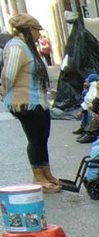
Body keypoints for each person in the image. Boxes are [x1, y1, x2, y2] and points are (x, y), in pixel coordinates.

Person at [3, 13, 62, 192]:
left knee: (42, 137)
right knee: (35, 138)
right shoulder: (16, 47)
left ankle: (46, 172)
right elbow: (8, 75)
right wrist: (5, 91)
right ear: (28, 30)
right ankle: (38, 178)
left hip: (38, 101)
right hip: (24, 103)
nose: (39, 34)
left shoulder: (28, 47)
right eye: (37, 30)